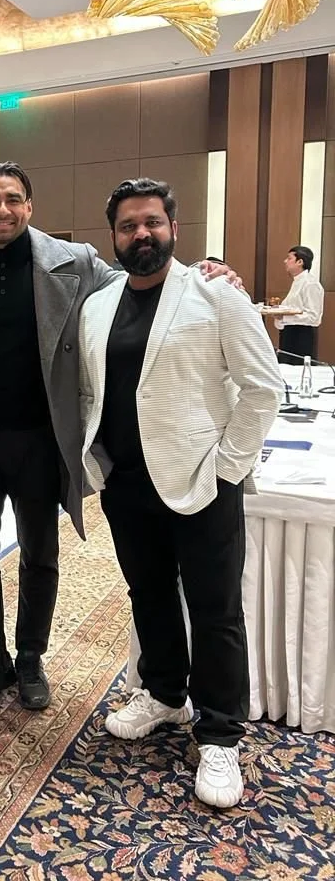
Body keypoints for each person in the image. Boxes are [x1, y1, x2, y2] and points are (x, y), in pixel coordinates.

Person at [0, 162, 238, 715]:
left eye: (13, 199)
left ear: (29, 206)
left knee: (39, 553)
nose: (2, 210)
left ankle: (30, 659)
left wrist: (206, 272)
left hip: (42, 440)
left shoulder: (73, 264)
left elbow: (145, 279)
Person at [79, 177, 282, 809]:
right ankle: (165, 696)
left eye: (152, 223)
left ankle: (220, 734)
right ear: (112, 236)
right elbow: (94, 391)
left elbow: (262, 386)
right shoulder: (98, 305)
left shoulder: (215, 295)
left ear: (173, 227)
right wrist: (101, 463)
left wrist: (229, 466)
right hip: (127, 482)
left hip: (202, 482)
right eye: (128, 225)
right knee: (149, 593)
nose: (141, 234)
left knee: (216, 608)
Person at [275, 245, 324, 362]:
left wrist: (285, 317)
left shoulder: (311, 283)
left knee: (298, 372)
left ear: (300, 262)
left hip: (301, 336)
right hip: (289, 334)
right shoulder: (297, 281)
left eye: (289, 258)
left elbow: (314, 317)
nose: (285, 261)